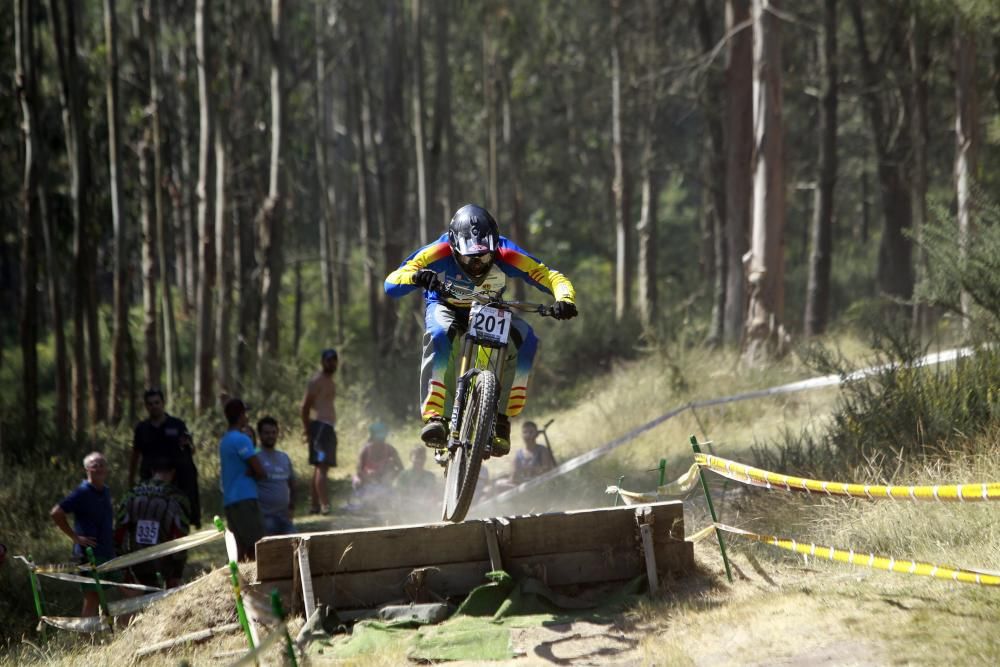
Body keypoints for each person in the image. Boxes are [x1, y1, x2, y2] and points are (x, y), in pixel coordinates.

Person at [384, 204, 578, 455]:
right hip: (446, 307)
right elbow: (392, 282)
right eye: (467, 258)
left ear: (494, 248)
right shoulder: (439, 250)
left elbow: (550, 276)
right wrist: (417, 277)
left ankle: (500, 419)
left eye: (484, 257)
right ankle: (436, 417)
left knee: (527, 340)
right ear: (454, 249)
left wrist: (565, 299)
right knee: (441, 335)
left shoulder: (507, 254)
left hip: (489, 310)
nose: (476, 265)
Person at [50, 452, 115, 617]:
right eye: (95, 465)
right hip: (90, 555)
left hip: (108, 552)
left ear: (106, 469)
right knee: (92, 599)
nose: (99, 467)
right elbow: (56, 513)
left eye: (102, 464)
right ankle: (88, 639)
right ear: (87, 469)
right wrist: (75, 537)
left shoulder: (105, 491)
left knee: (122, 589)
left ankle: (109, 631)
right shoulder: (82, 492)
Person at [115, 457, 191, 588]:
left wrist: (123, 567)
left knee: (143, 602)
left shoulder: (130, 494)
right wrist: (177, 573)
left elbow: (119, 533)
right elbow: (180, 536)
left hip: (136, 559)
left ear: (152, 471)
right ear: (173, 472)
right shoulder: (178, 498)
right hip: (165, 562)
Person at [130, 388, 201, 528]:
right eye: (150, 404)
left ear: (163, 403)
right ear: (146, 406)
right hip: (149, 483)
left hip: (176, 483)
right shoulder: (141, 428)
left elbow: (191, 450)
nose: (154, 406)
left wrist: (187, 445)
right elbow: (135, 455)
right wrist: (131, 481)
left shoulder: (177, 424)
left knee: (177, 522)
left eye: (157, 402)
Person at [220, 398, 266, 561]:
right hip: (245, 499)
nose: (247, 417)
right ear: (240, 416)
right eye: (245, 413)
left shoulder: (224, 440)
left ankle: (241, 585)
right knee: (257, 546)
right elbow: (260, 470)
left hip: (230, 501)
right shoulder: (241, 439)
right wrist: (255, 472)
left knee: (239, 548)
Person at [301, 348, 339, 515]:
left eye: (334, 360)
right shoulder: (316, 381)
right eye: (328, 360)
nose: (331, 363)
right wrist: (308, 429)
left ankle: (315, 505)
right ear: (322, 362)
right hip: (320, 427)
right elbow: (305, 407)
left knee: (319, 467)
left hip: (327, 427)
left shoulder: (330, 381)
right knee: (322, 466)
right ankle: (325, 505)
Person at [256, 416, 296, 536]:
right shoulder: (254, 458)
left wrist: (291, 508)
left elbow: (293, 484)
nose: (271, 436)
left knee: (296, 546)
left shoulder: (284, 457)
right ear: (260, 435)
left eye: (274, 432)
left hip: (284, 517)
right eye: (267, 433)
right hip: (265, 518)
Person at [353, 421, 403, 492]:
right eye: (378, 439)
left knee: (390, 465)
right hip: (366, 481)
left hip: (384, 481)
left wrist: (390, 476)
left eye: (382, 439)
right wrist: (370, 478)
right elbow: (359, 470)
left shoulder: (390, 450)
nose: (380, 441)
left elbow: (401, 468)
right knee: (358, 483)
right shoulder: (365, 450)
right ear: (372, 437)